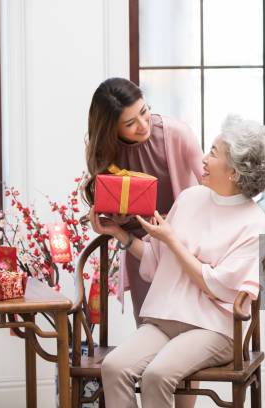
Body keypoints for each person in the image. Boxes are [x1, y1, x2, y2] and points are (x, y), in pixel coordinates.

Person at [93, 115, 265, 408]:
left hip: (214, 329)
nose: (203, 158)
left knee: (157, 375)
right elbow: (157, 259)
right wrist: (118, 234)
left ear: (233, 171)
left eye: (214, 153)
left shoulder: (255, 224)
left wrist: (172, 241)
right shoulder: (190, 198)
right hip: (167, 319)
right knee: (114, 367)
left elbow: (217, 285)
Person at [84, 77, 203, 325]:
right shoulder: (105, 153)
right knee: (150, 328)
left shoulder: (177, 134)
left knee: (188, 328)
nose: (142, 124)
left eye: (144, 111)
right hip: (139, 250)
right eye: (130, 123)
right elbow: (112, 204)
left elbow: (212, 188)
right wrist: (113, 223)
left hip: (182, 245)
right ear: (111, 130)